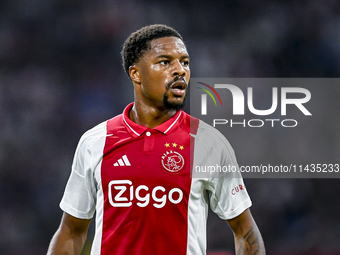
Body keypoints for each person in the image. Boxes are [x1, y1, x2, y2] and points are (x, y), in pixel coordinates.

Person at [47, 24, 265, 255]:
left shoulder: (208, 142)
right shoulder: (95, 141)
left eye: (185, 62)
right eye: (165, 62)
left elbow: (244, 229)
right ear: (135, 73)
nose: (180, 70)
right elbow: (72, 231)